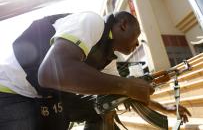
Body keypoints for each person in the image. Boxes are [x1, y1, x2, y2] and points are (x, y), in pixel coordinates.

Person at [0, 11, 190, 130]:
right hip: (11, 91)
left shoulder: (107, 60)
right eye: (137, 36)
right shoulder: (91, 21)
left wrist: (165, 108)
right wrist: (125, 85)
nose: (137, 43)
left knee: (104, 108)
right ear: (123, 25)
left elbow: (125, 94)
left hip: (45, 96)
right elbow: (50, 72)